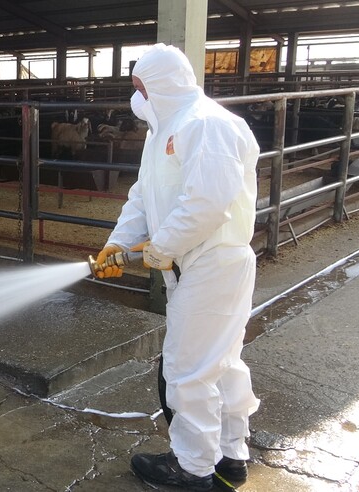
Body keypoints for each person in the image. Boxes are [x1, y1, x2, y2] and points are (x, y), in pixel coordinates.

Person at [94, 43, 261, 491]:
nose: (136, 94)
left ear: (161, 84)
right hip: (190, 266)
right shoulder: (161, 131)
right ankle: (229, 456)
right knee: (219, 364)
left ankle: (191, 468)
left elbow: (207, 203)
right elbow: (143, 195)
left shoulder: (208, 124)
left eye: (139, 85)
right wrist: (118, 243)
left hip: (214, 262)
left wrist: (160, 247)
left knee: (187, 369)